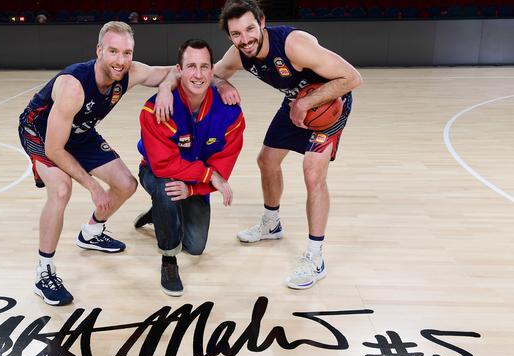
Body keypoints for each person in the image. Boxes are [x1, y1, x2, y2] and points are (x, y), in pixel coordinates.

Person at [18, 21, 176, 306]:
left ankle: (91, 232)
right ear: (99, 51)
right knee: (61, 189)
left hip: (80, 131)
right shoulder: (73, 87)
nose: (121, 60)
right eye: (113, 52)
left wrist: (165, 89)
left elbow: (172, 72)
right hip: (41, 133)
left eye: (127, 53)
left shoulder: (131, 72)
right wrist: (92, 186)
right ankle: (44, 271)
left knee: (126, 185)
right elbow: (55, 148)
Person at [213, 0, 362, 290]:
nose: (245, 39)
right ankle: (271, 224)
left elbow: (352, 78)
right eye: (236, 34)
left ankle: (315, 257)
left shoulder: (294, 45)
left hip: (329, 102)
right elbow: (216, 73)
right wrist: (223, 85)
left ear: (262, 22)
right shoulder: (238, 54)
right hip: (296, 99)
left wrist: (306, 103)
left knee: (312, 174)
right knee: (266, 161)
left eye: (250, 29)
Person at [134, 39, 245, 296]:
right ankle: (169, 260)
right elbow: (163, 165)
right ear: (179, 70)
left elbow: (222, 167)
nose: (198, 74)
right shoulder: (156, 109)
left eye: (204, 67)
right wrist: (207, 175)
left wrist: (193, 190)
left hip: (194, 183)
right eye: (191, 66)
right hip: (155, 172)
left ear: (212, 71)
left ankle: (160, 213)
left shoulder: (230, 113)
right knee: (166, 188)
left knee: (195, 247)